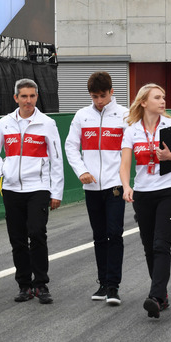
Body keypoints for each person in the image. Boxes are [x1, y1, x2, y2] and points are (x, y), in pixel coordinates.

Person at [120, 83, 171, 319]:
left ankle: (155, 296)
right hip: (143, 194)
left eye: (163, 97)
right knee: (149, 246)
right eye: (157, 97)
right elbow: (124, 165)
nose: (163, 101)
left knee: (161, 244)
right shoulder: (132, 130)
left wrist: (169, 156)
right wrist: (126, 187)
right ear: (143, 102)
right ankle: (161, 296)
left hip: (168, 191)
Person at [0, 79, 64, 305]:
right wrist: (5, 170)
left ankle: (41, 284)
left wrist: (55, 192)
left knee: (37, 233)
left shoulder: (47, 123)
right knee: (17, 239)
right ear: (16, 98)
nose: (28, 101)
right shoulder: (5, 123)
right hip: (11, 189)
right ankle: (24, 285)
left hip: (38, 188)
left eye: (32, 96)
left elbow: (57, 159)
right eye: (24, 97)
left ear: (37, 97)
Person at [64, 72, 128, 305]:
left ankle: (113, 286)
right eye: (94, 96)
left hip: (115, 186)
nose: (99, 100)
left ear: (112, 92)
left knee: (115, 233)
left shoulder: (125, 115)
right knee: (99, 236)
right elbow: (71, 146)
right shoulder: (82, 115)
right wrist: (81, 171)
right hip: (91, 187)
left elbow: (130, 150)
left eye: (102, 95)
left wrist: (126, 180)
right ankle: (102, 284)